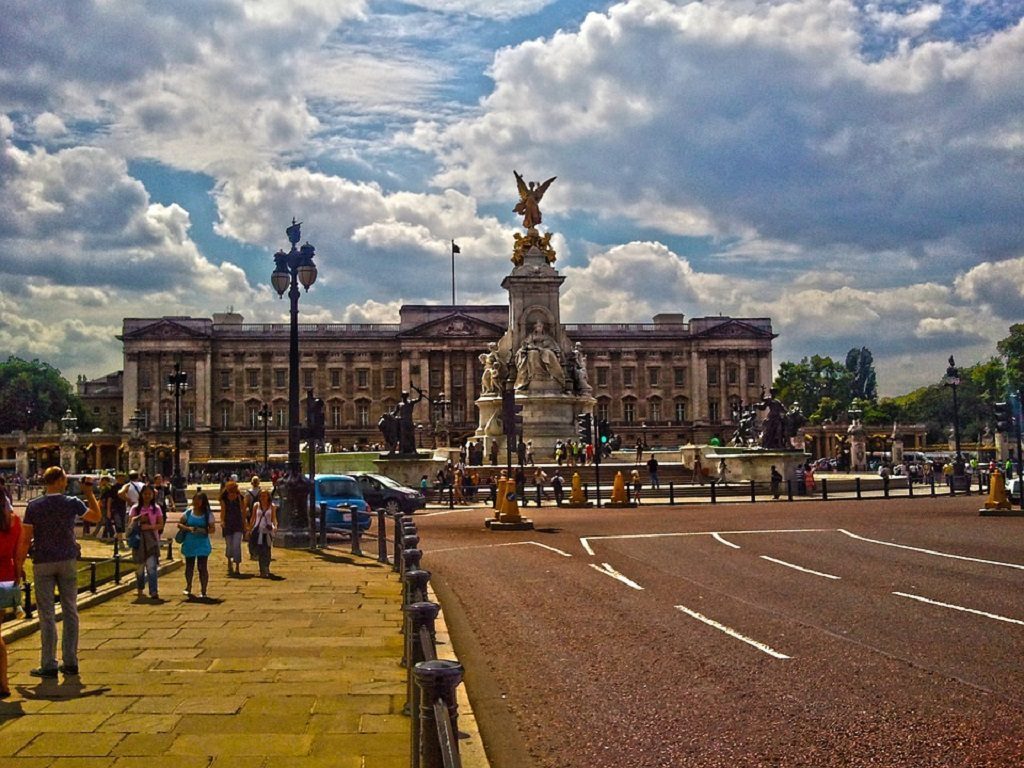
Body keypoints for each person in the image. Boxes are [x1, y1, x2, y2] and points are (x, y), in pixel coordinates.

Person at [22, 466, 101, 678]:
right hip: (67, 559)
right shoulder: (71, 503)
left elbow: (25, 537)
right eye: (64, 479)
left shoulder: (33, 505)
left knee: (46, 614)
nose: (66, 482)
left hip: (43, 561)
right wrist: (89, 493)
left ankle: (48, 663)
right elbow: (95, 517)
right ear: (58, 481)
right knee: (70, 610)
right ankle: (70, 661)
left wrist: (19, 564)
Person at [0, 488, 29, 697]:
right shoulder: (15, 522)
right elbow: (19, 557)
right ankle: (3, 683)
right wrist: (17, 578)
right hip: (6, 580)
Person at [127, 484, 165, 600]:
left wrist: (149, 527)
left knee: (151, 567)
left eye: (149, 494)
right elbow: (129, 526)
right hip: (138, 542)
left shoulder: (156, 508)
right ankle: (140, 589)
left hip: (152, 541)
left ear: (153, 495)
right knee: (139, 568)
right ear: (141, 495)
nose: (147, 496)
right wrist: (138, 520)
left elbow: (160, 524)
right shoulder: (135, 508)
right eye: (145, 494)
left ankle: (153, 591)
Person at [179, 491, 215, 598]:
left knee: (202, 567)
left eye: (199, 500)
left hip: (202, 543)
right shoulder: (188, 513)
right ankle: (188, 586)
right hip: (190, 542)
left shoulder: (208, 514)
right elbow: (180, 524)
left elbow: (212, 529)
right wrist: (188, 528)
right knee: (189, 566)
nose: (197, 502)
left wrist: (204, 530)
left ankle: (203, 590)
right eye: (195, 500)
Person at [250, 489, 278, 578]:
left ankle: (266, 567)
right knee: (261, 550)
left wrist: (275, 526)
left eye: (265, 495)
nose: (263, 497)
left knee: (267, 550)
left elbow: (274, 518)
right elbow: (253, 518)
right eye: (261, 495)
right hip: (258, 530)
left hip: (268, 531)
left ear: (268, 496)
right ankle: (262, 569)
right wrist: (249, 529)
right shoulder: (256, 505)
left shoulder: (272, 506)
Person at [219, 483, 245, 577]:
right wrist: (222, 521)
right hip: (228, 524)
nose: (232, 492)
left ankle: (237, 565)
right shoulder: (224, 499)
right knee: (229, 545)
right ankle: (229, 560)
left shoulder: (240, 497)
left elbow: (243, 510)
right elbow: (223, 511)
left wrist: (245, 524)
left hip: (238, 524)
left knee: (236, 544)